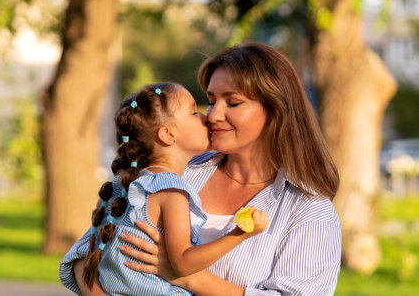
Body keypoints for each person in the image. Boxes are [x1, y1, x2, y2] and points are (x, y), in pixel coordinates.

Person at [64, 42, 342, 295]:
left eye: (232, 102)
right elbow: (85, 255)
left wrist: (186, 277)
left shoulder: (309, 212)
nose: (213, 115)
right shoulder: (173, 172)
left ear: (275, 110)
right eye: (210, 101)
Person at [60, 82, 269, 295]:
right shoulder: (171, 191)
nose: (208, 117)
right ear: (168, 135)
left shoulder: (124, 184)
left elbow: (89, 251)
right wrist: (239, 234)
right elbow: (183, 265)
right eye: (194, 112)